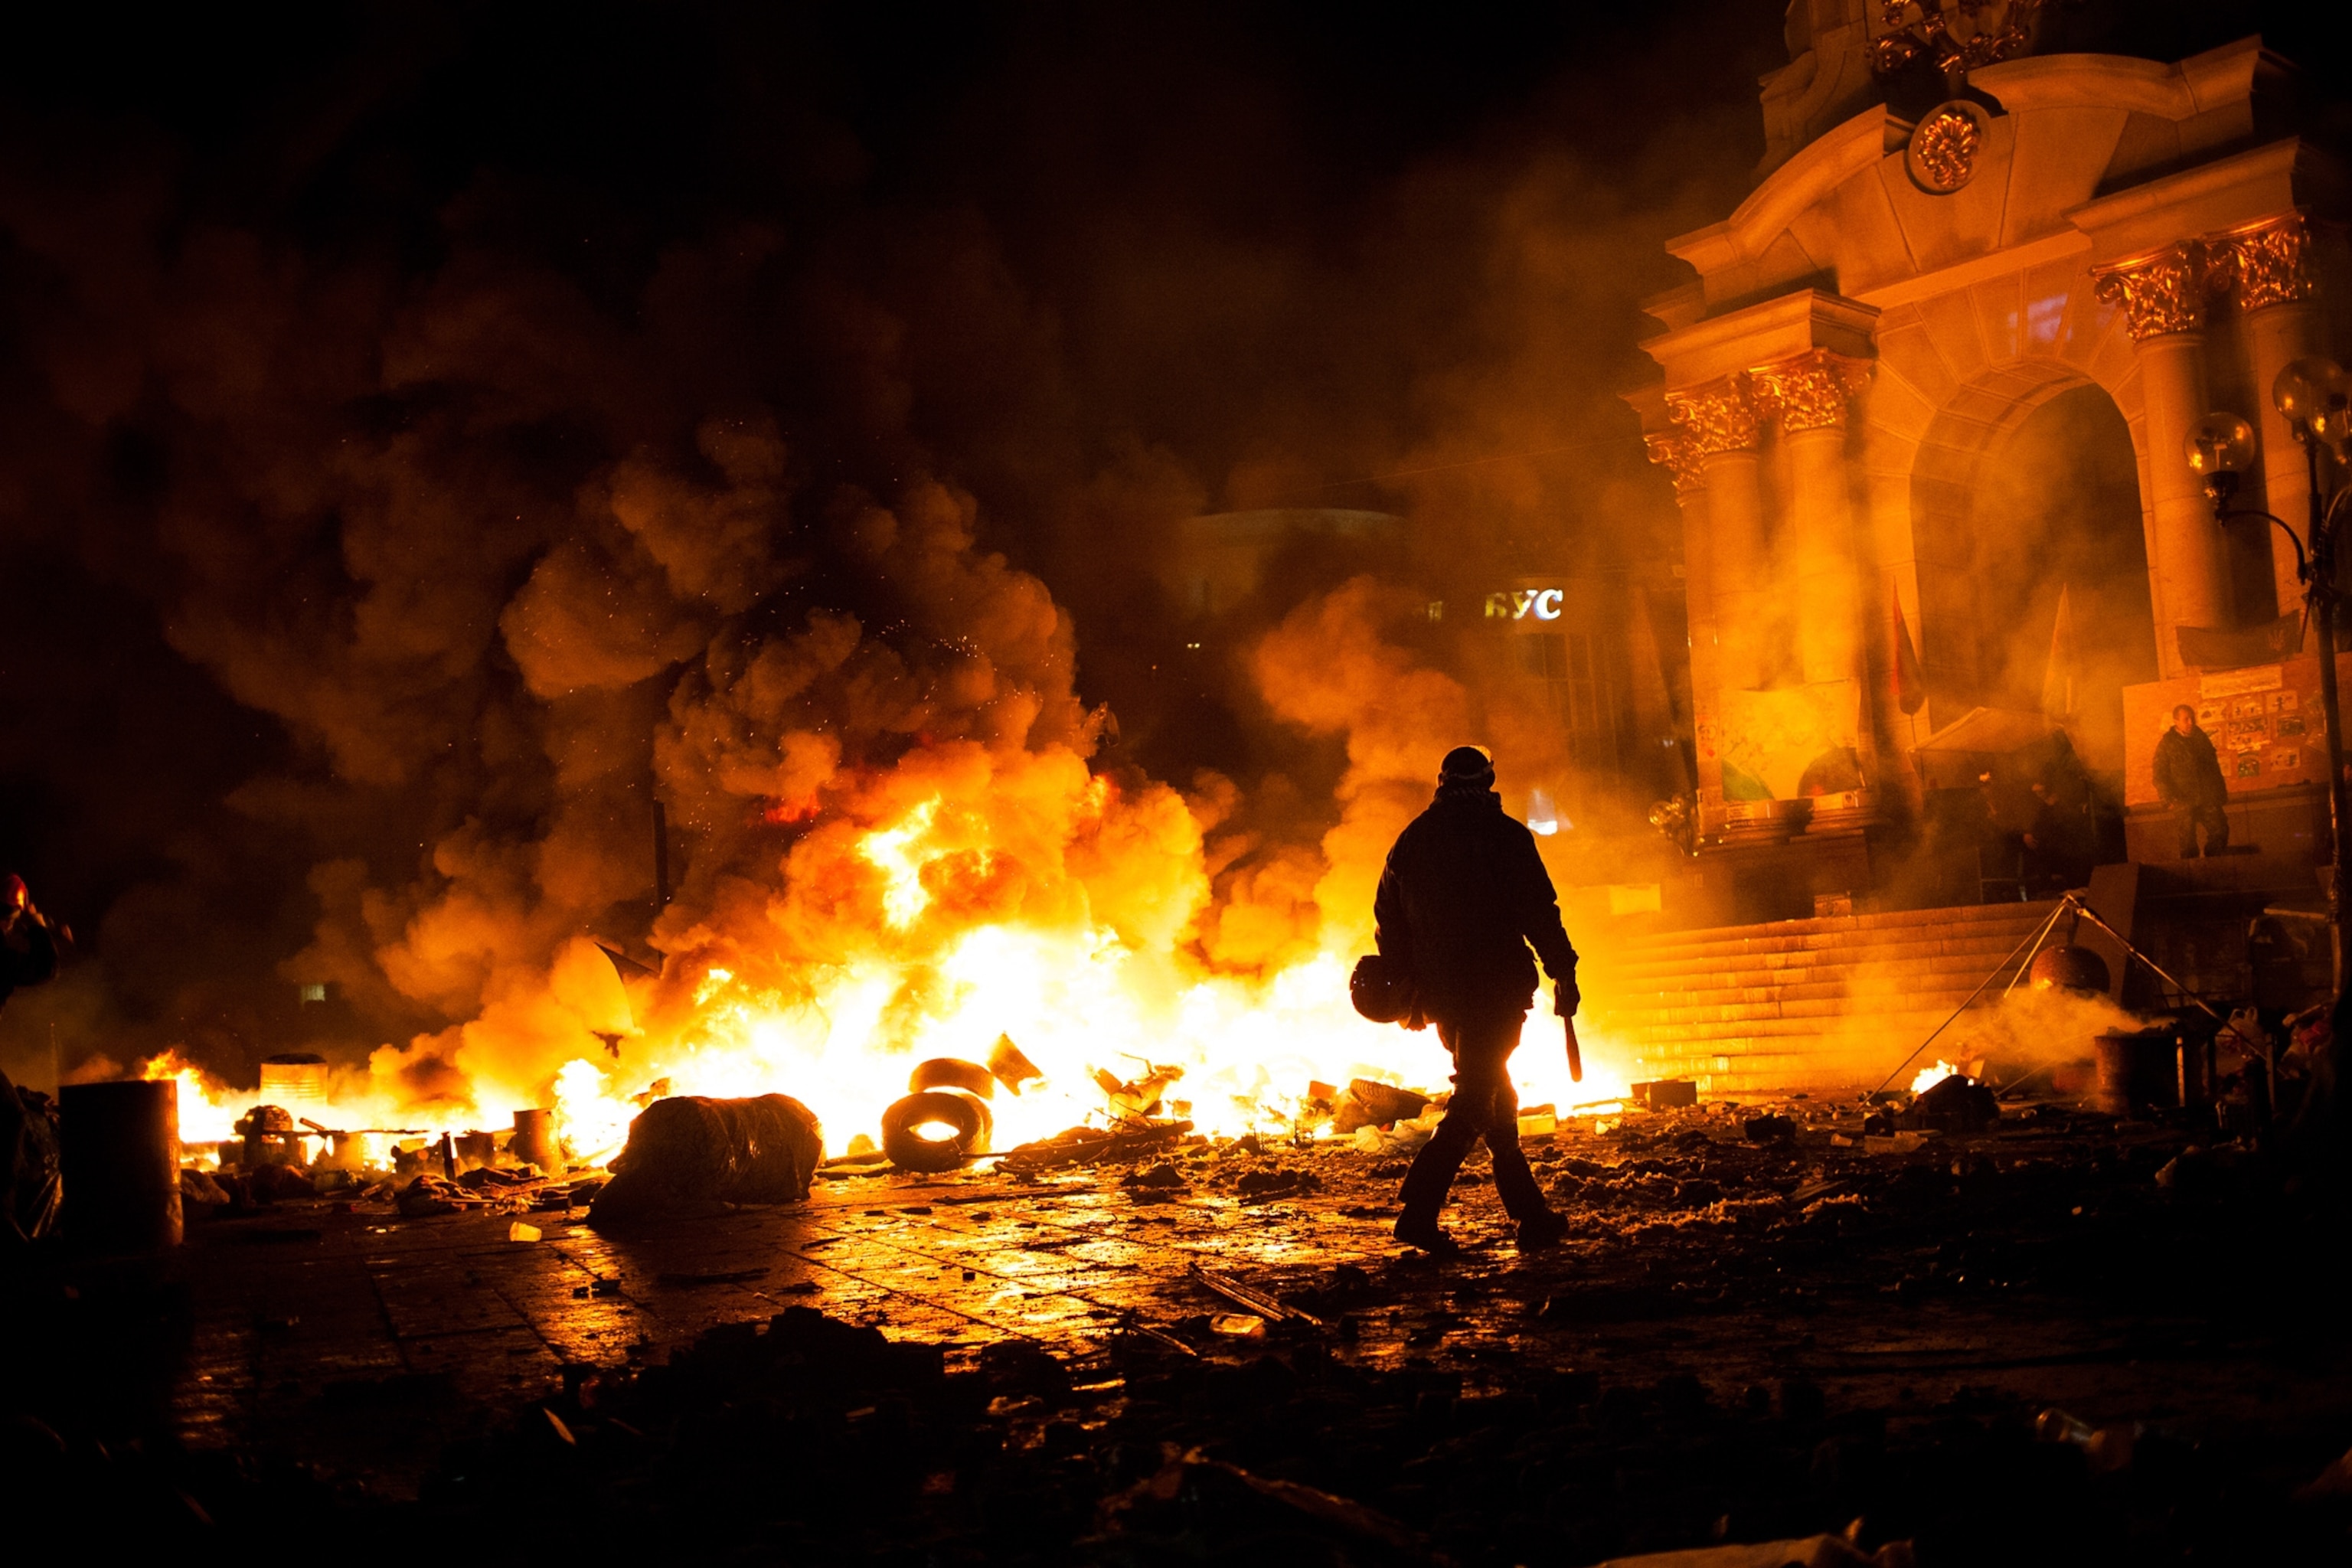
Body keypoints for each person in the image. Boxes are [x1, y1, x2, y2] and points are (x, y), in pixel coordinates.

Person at [1372, 745, 1578, 1253]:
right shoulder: (1504, 837)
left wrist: (1410, 992)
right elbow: (1538, 910)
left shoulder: (1413, 841)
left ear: (1441, 782)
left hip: (1443, 997)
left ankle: (1531, 1216)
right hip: (1495, 989)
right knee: (1475, 1100)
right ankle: (1418, 1210)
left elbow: (1389, 922)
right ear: (1488, 782)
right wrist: (1563, 970)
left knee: (1495, 1094)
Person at [2153, 704, 2230, 858]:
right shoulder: (2167, 744)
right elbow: (2159, 773)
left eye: (2192, 718)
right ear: (2176, 721)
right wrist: (2166, 797)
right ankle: (2191, 873)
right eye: (2186, 719)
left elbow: (2213, 767)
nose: (2191, 722)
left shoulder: (2201, 738)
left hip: (2206, 796)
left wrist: (2220, 792)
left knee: (2221, 831)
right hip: (2182, 798)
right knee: (2187, 843)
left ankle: (2213, 862)